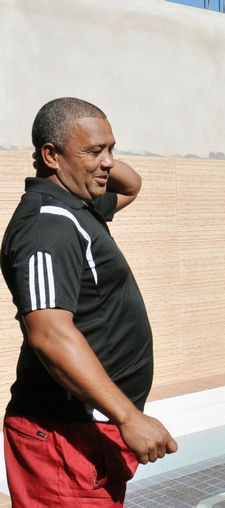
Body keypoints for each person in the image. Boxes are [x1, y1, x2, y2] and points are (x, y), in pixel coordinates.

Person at [1, 98, 177, 506]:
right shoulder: (48, 226)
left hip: (87, 432)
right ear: (51, 155)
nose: (108, 163)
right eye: (94, 151)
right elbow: (49, 334)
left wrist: (97, 151)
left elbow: (132, 186)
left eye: (111, 149)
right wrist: (129, 417)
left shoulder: (79, 207)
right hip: (61, 438)